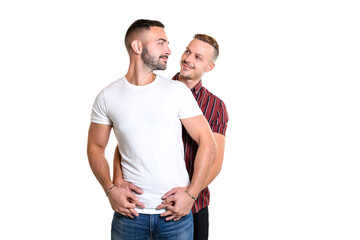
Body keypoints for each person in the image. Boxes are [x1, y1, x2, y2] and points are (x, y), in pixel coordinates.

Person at [87, 19, 216, 240]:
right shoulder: (107, 96)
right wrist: (110, 189)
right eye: (161, 43)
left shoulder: (177, 92)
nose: (169, 51)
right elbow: (95, 147)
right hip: (129, 215)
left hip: (174, 217)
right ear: (138, 47)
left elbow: (207, 141)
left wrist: (191, 195)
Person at [113, 34, 229, 240]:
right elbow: (126, 141)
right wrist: (118, 181)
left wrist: (189, 194)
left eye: (198, 57)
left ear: (209, 67)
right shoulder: (151, 90)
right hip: (146, 206)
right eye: (187, 51)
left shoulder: (216, 106)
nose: (188, 59)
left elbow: (216, 161)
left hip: (194, 206)